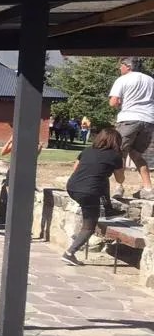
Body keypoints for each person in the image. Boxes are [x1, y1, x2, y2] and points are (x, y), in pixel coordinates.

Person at [61, 128, 126, 265]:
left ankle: (108, 209)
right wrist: (121, 163)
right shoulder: (115, 156)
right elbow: (120, 179)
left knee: (103, 179)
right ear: (116, 142)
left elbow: (75, 169)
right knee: (89, 226)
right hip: (89, 192)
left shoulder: (87, 150)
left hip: (72, 187)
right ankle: (70, 253)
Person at [108, 56, 154, 200]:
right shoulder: (150, 80)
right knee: (137, 154)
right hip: (148, 120)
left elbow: (113, 102)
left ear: (128, 66)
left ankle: (119, 187)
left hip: (129, 119)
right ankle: (148, 189)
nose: (119, 68)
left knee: (119, 152)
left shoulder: (123, 79)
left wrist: (121, 102)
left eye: (121, 65)